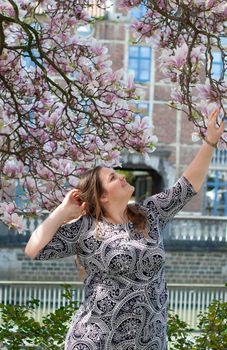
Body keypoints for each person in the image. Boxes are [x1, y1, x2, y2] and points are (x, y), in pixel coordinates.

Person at [25, 108, 224, 350]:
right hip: (95, 341)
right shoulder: (85, 229)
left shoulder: (150, 213)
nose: (120, 177)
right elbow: (34, 249)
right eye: (111, 178)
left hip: (150, 341)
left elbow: (187, 186)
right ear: (103, 197)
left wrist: (210, 141)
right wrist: (64, 211)